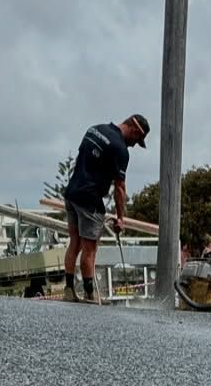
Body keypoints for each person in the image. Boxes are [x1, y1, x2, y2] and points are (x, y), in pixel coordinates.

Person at [62, 113, 149, 302]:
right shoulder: (120, 149)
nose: (135, 145)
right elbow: (119, 188)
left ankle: (68, 290)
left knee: (74, 243)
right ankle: (90, 294)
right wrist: (120, 218)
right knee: (89, 249)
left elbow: (81, 161)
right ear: (134, 128)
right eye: (138, 140)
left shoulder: (95, 129)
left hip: (72, 193)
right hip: (90, 200)